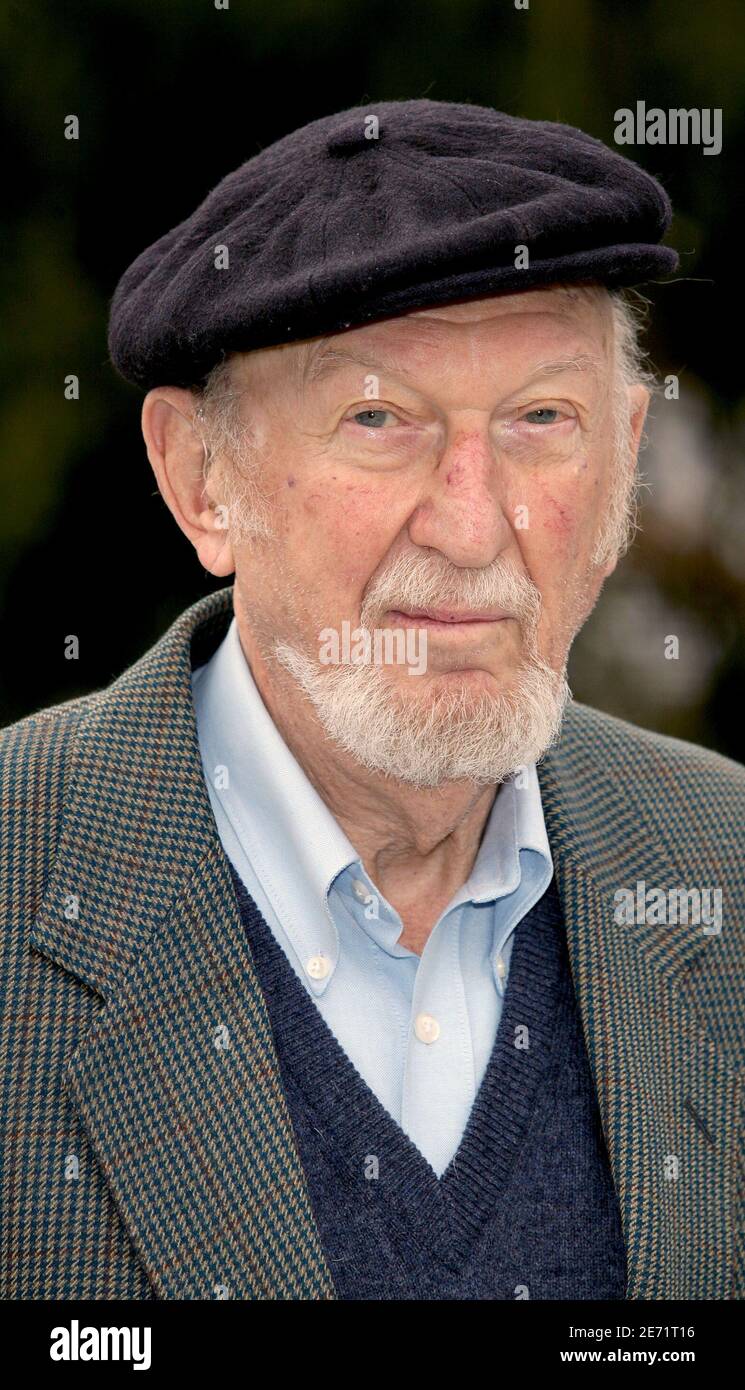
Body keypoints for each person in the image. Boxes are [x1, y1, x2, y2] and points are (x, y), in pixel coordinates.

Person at [1, 99, 742, 1301]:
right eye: (378, 419)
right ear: (201, 479)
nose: (468, 522)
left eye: (540, 419)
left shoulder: (728, 865)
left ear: (623, 454)